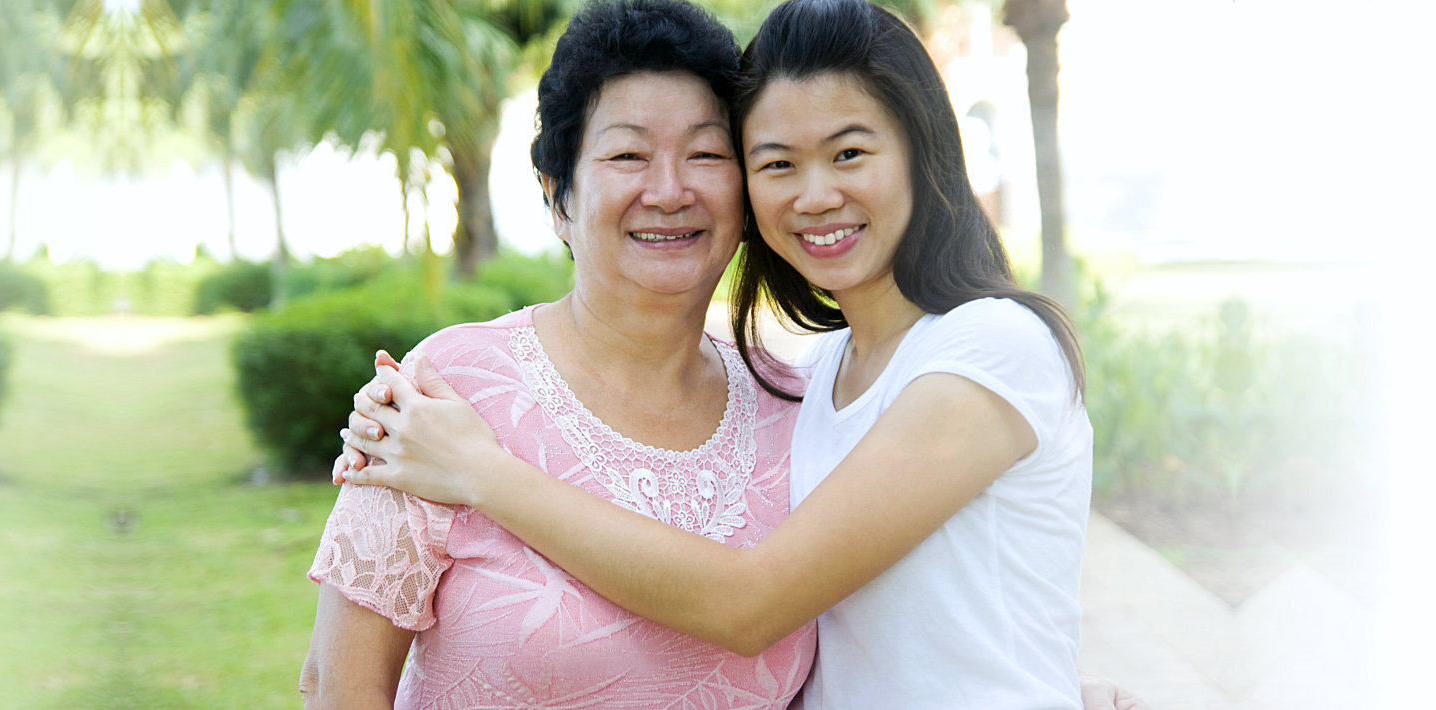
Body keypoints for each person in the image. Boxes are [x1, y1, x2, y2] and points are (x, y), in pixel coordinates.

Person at [336, 0, 1129, 708]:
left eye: (849, 153)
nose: (815, 194)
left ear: (922, 155)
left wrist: (484, 474)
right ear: (557, 195)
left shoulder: (979, 350)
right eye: (779, 163)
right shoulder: (816, 384)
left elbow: (754, 606)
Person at [299, 2, 819, 707]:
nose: (669, 191)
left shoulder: (797, 412)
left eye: (706, 153)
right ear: (558, 197)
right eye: (628, 155)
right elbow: (338, 688)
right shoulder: (443, 393)